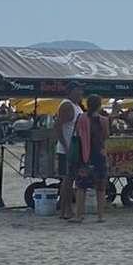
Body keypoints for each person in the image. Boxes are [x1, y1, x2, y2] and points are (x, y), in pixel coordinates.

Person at [70, 94, 109, 223]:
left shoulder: (81, 118)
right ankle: (101, 216)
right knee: (100, 187)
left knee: (81, 186)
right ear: (99, 105)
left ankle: (79, 215)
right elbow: (105, 136)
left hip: (84, 154)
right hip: (99, 154)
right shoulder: (103, 120)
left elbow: (75, 133)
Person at [54, 81, 85, 219]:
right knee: (67, 180)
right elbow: (58, 126)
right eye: (79, 90)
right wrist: (65, 145)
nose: (81, 93)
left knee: (70, 179)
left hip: (74, 146)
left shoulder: (76, 105)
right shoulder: (67, 105)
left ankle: (66, 210)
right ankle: (66, 209)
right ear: (71, 91)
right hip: (68, 148)